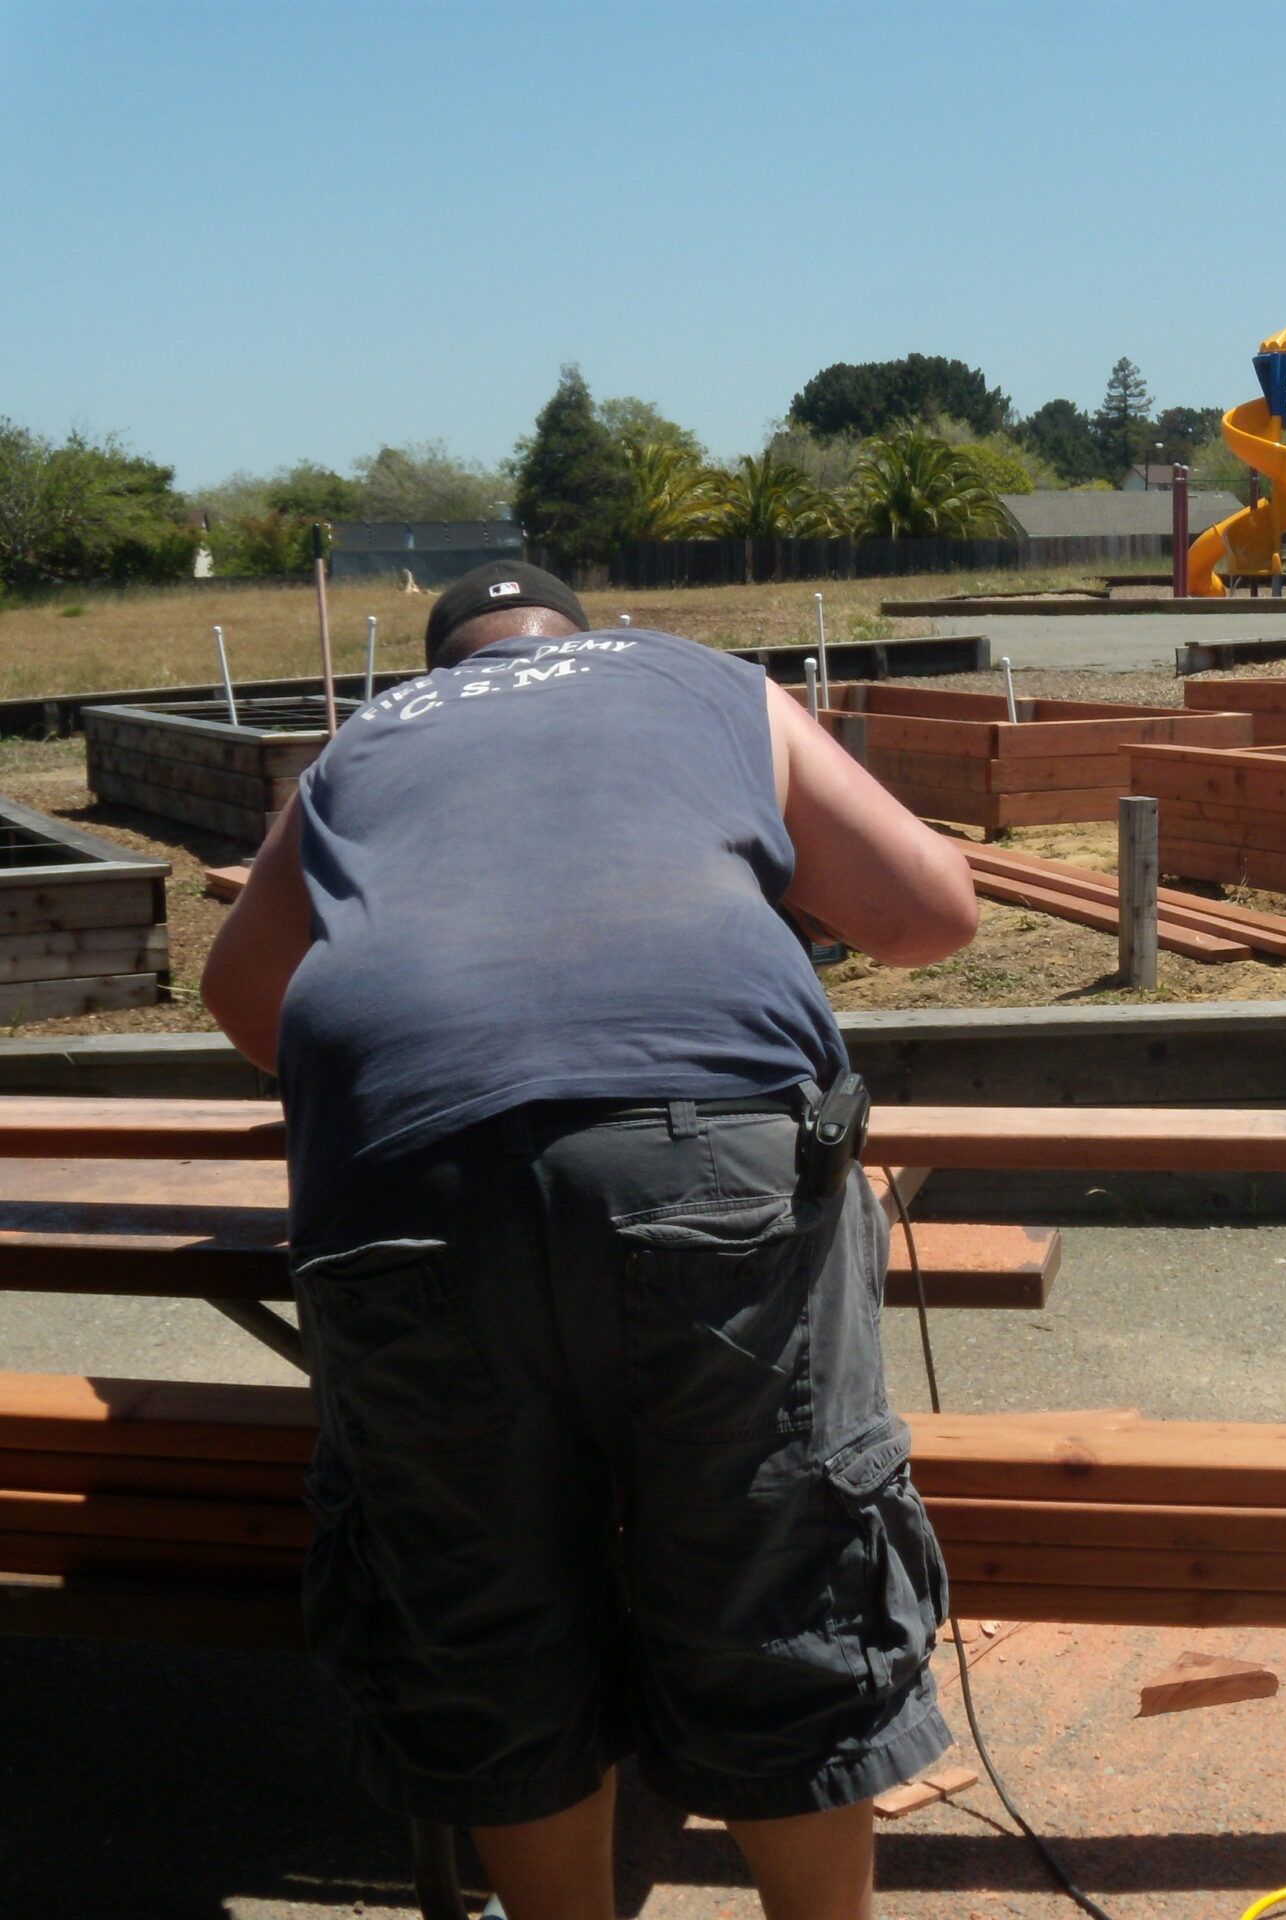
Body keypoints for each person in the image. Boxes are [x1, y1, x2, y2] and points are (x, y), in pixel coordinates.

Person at [202, 562, 980, 1920]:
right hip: (707, 1151)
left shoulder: (370, 738)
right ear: (583, 636)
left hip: (403, 1182)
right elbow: (930, 917)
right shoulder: (700, 680)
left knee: (478, 1606)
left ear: (444, 664)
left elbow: (245, 998)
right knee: (776, 1576)